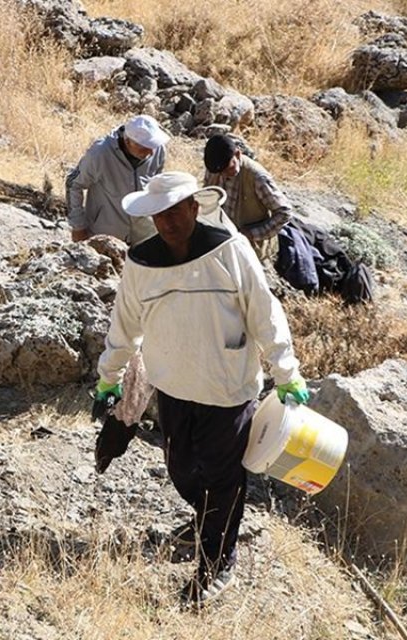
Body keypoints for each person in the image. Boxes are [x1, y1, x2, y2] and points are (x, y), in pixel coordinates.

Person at [92, 171, 310, 605]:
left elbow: (264, 313)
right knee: (181, 469)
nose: (168, 221)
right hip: (171, 385)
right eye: (160, 214)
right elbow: (125, 326)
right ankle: (208, 520)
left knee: (223, 478)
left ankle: (216, 564)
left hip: (227, 388)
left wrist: (287, 372)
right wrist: (109, 376)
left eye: (176, 210)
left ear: (195, 206)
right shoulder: (141, 264)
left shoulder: (231, 251)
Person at [66, 114, 169, 245]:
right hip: (105, 238)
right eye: (145, 147)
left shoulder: (158, 149)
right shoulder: (100, 153)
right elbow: (73, 184)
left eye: (153, 145)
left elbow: (155, 187)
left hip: (144, 235)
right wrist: (78, 226)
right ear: (128, 141)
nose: (151, 152)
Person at [202, 133, 294, 261]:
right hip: (222, 243)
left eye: (229, 169)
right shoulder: (216, 168)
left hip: (251, 250)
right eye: (220, 172)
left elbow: (284, 213)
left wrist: (251, 234)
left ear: (238, 154)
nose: (224, 175)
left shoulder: (257, 178)